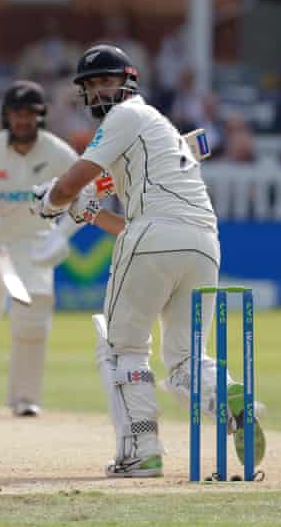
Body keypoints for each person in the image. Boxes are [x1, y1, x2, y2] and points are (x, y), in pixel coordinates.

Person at [31, 44, 266, 477]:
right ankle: (230, 394)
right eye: (92, 85)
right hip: (203, 243)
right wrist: (89, 212)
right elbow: (132, 226)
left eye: (106, 81)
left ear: (128, 83)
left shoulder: (123, 117)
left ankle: (142, 452)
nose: (99, 91)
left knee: (121, 348)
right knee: (185, 360)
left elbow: (71, 186)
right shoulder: (158, 131)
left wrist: (51, 201)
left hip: (155, 235)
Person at [0, 80, 83, 418]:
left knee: (32, 319)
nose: (22, 121)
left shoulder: (58, 153)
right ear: (6, 115)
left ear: (41, 115)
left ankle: (25, 397)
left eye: (29, 114)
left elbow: (87, 197)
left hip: (34, 243)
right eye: (16, 114)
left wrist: (61, 234)